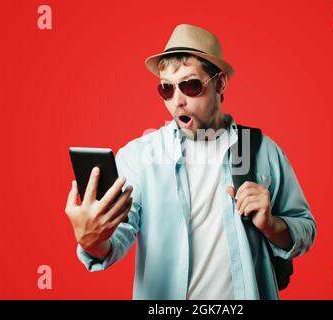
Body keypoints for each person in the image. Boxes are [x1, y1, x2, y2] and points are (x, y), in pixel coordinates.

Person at [65, 24, 316, 299]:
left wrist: (271, 225)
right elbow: (117, 237)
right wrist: (92, 240)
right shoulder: (139, 157)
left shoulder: (261, 150)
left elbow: (305, 228)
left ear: (219, 83)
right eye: (167, 89)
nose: (178, 101)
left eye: (191, 85)